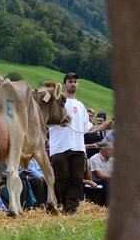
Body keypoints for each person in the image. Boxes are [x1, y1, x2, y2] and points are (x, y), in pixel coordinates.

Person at [47, 72, 104, 213]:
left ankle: (71, 209)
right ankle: (64, 205)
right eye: (70, 81)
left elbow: (88, 128)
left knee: (77, 179)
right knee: (62, 179)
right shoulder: (57, 102)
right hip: (60, 146)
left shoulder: (80, 106)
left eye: (75, 82)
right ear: (65, 84)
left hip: (78, 147)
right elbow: (47, 122)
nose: (73, 84)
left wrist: (104, 126)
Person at [86, 141, 114, 206]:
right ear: (103, 150)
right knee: (106, 183)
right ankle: (107, 206)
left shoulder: (112, 160)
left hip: (108, 180)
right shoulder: (95, 159)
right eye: (110, 150)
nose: (113, 152)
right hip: (95, 182)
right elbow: (101, 176)